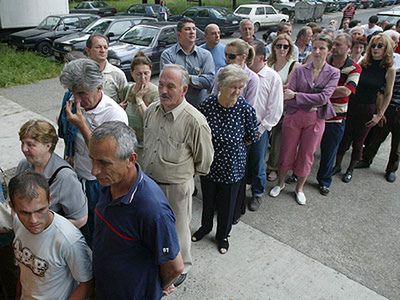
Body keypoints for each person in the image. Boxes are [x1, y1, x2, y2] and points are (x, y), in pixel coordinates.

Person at [89, 121, 183, 299]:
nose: (94, 170)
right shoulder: (107, 182)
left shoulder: (153, 210)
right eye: (92, 159)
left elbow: (175, 267)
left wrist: (154, 289)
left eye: (103, 163)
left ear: (131, 159)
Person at [141, 64, 214, 286]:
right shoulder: (152, 110)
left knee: (179, 230)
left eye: (170, 86)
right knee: (152, 227)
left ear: (184, 90)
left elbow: (205, 162)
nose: (163, 90)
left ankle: (181, 268)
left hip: (176, 188)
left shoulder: (195, 121)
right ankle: (157, 260)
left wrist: (184, 176)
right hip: (149, 183)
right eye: (161, 84)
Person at [59, 58, 128, 245]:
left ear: (99, 87)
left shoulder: (114, 114)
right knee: (82, 228)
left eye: (82, 93)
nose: (76, 99)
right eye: (73, 92)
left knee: (101, 228)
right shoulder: (72, 100)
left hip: (100, 183)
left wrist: (82, 125)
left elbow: (108, 157)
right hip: (77, 176)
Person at [192, 65, 258, 253]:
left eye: (240, 87)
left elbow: (252, 135)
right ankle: (205, 227)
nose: (237, 91)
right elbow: (198, 131)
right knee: (208, 200)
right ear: (221, 86)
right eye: (233, 87)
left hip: (233, 167)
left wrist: (233, 148)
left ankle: (223, 236)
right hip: (210, 165)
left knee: (227, 206)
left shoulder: (245, 109)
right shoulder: (208, 105)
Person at [269, 35, 340, 205]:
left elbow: (324, 98)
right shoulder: (300, 69)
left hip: (316, 118)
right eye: (314, 47)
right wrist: (303, 97)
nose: (317, 51)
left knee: (307, 153)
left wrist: (298, 95)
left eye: (322, 48)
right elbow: (288, 94)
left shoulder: (333, 73)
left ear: (328, 50)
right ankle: (280, 183)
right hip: (294, 115)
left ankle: (299, 188)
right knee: (286, 150)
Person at [0, 172, 93, 299]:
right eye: (25, 213)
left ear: (50, 200)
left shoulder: (69, 240)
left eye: (40, 210)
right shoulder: (18, 222)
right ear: (13, 207)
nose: (33, 220)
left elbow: (86, 283)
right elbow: (25, 270)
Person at [334, 33, 396, 183]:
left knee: (358, 141)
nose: (375, 49)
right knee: (344, 137)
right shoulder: (364, 62)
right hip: (352, 104)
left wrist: (379, 115)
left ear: (386, 48)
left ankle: (350, 169)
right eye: (373, 45)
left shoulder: (389, 69)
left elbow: (388, 94)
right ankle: (336, 165)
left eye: (380, 46)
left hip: (368, 108)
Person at [16, 120, 88, 228]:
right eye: (22, 143)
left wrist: (49, 228)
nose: (24, 149)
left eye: (30, 145)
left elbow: (80, 219)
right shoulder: (23, 166)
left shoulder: (65, 177)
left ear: (48, 146)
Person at [316, 34, 362, 196]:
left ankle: (324, 181)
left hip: (336, 117)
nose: (334, 47)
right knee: (307, 148)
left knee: (329, 152)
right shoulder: (325, 61)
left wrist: (321, 91)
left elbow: (347, 90)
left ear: (349, 48)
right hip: (316, 113)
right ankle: (297, 174)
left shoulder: (354, 68)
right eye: (333, 44)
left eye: (338, 45)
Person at [246, 40, 284, 211]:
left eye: (250, 55)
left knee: (257, 163)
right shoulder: (244, 74)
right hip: (241, 128)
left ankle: (257, 193)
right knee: (241, 161)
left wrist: (260, 129)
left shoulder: (272, 77)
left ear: (261, 57)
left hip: (259, 129)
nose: (246, 58)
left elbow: (275, 108)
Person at [355, 69, 400, 183]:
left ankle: (391, 170)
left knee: (397, 146)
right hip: (390, 110)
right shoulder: (396, 73)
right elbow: (383, 92)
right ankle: (366, 159)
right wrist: (381, 111)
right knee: (376, 137)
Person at [266, 34, 300, 182]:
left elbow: (289, 87)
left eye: (285, 46)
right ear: (273, 47)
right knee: (265, 138)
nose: (282, 49)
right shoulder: (269, 63)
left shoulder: (294, 65)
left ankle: (273, 167)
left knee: (277, 140)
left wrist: (273, 87)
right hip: (267, 105)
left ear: (290, 48)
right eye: (278, 46)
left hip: (284, 108)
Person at [160, 17, 215, 107]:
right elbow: (168, 81)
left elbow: (209, 81)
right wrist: (198, 78)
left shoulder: (205, 55)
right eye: (187, 29)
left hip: (200, 107)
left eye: (193, 29)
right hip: (175, 106)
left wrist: (183, 78)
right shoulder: (167, 55)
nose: (192, 31)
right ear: (179, 34)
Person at [120, 52, 159, 159]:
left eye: (146, 73)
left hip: (146, 145)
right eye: (139, 74)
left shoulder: (156, 93)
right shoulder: (127, 89)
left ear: (151, 72)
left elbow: (150, 119)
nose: (143, 78)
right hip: (129, 142)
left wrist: (139, 99)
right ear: (132, 74)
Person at [85, 34, 127, 103]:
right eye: (98, 47)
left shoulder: (118, 74)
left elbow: (125, 100)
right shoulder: (81, 72)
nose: (102, 50)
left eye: (105, 47)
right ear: (88, 50)